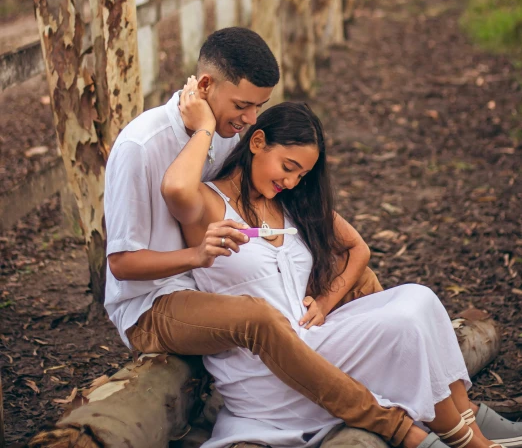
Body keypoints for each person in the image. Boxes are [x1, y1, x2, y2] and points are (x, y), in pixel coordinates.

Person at [161, 90, 521, 448]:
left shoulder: (286, 203)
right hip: (268, 374)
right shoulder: (209, 204)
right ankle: (470, 442)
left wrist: (325, 301)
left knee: (421, 298)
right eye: (288, 167)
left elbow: (357, 248)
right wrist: (205, 125)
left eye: (301, 175)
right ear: (257, 141)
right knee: (404, 326)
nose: (291, 182)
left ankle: (471, 426)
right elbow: (176, 186)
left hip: (311, 339)